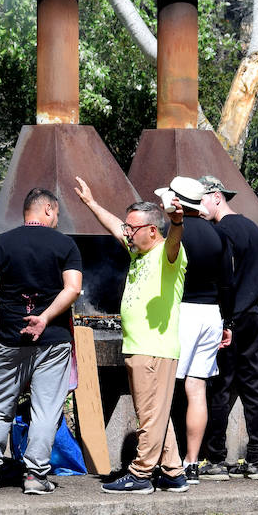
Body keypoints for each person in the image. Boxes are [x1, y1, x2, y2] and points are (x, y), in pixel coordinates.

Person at [73, 176, 189, 494]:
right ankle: (173, 471)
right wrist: (92, 203)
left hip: (155, 349)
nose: (127, 231)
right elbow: (114, 226)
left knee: (149, 415)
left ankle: (140, 475)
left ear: (152, 230)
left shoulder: (168, 254)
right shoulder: (139, 253)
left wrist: (177, 221)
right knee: (155, 413)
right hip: (140, 347)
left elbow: (175, 241)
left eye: (133, 228)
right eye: (128, 226)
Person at [0, 188, 82, 495]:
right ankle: (35, 477)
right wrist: (44, 318)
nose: (56, 219)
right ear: (47, 210)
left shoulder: (2, 243)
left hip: (10, 339)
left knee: (0, 406)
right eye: (56, 213)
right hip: (52, 340)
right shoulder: (66, 245)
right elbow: (73, 288)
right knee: (45, 409)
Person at [152, 177, 230, 484]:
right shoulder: (218, 234)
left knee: (166, 389)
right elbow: (227, 282)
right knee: (197, 390)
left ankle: (165, 460)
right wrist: (229, 322)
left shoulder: (173, 233)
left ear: (178, 203)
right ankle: (191, 462)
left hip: (182, 311)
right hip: (211, 314)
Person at [198, 175, 258, 481]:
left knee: (220, 386)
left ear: (216, 196)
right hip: (253, 316)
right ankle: (256, 460)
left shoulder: (220, 232)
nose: (198, 208)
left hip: (227, 318)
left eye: (200, 200)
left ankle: (215, 459)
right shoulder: (254, 229)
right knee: (254, 385)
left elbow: (223, 279)